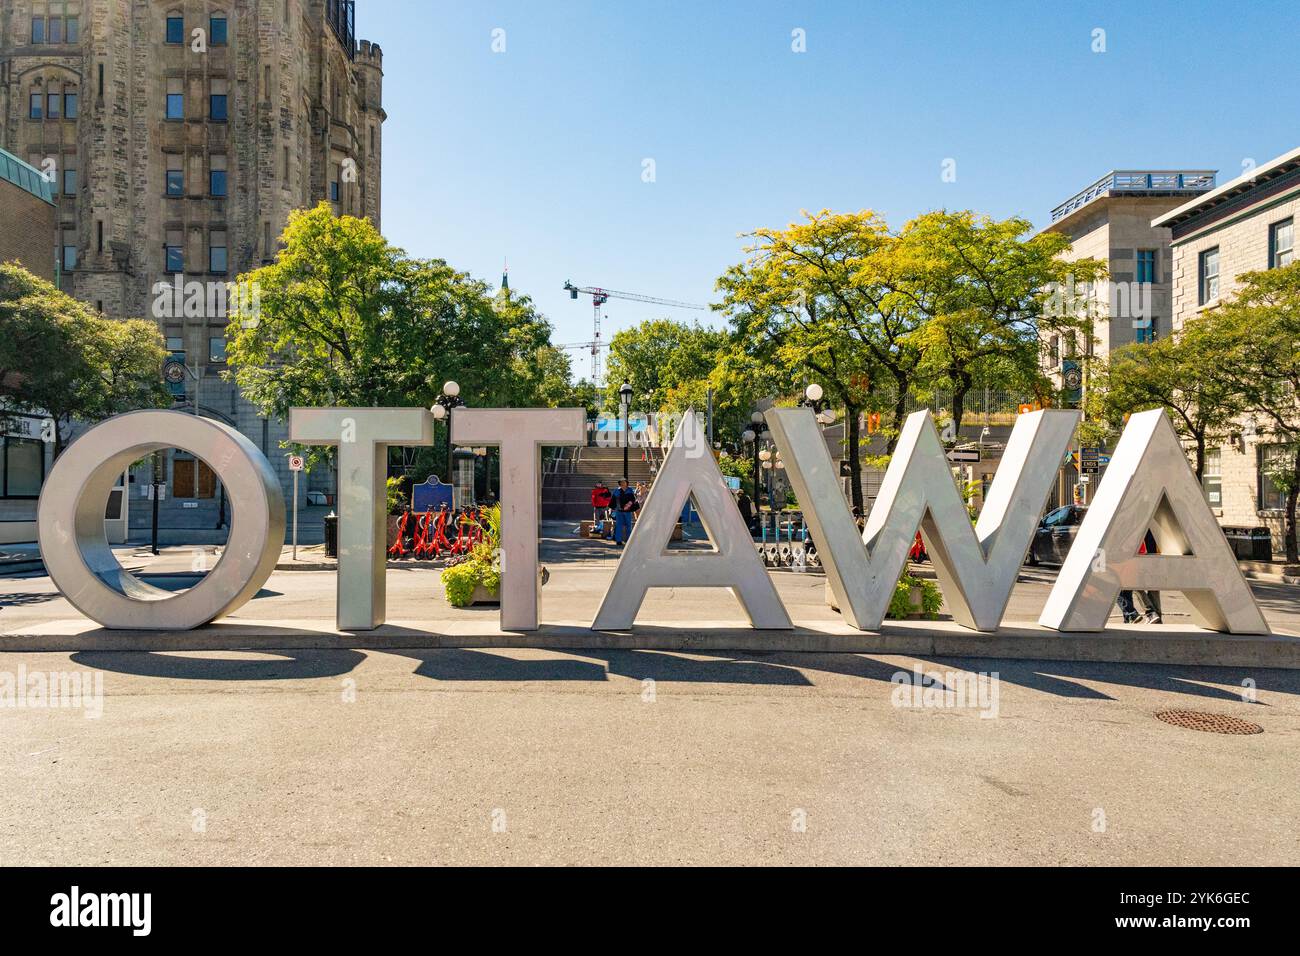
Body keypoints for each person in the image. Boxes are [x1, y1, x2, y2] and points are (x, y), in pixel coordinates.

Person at [1117, 530, 1163, 624]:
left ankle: (1149, 613)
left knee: (1135, 585)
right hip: (1153, 553)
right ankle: (1156, 615)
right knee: (1153, 585)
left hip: (1139, 553)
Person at [612, 478, 637, 545]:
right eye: (621, 482)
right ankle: (618, 540)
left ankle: (629, 540)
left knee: (628, 525)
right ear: (619, 483)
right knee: (618, 525)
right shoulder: (616, 490)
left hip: (627, 511)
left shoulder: (630, 490)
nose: (623, 483)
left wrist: (628, 505)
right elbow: (613, 500)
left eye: (624, 482)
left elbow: (633, 499)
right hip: (619, 511)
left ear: (627, 483)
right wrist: (612, 508)